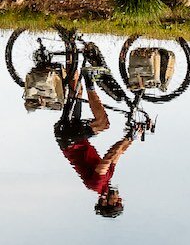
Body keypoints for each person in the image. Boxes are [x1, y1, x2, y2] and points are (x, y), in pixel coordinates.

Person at [53, 43, 132, 218]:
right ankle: (70, 46)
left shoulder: (96, 185)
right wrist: (133, 137)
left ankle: (90, 80)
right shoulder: (107, 180)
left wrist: (127, 137)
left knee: (102, 124)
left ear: (105, 201)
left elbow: (109, 157)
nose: (119, 198)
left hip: (70, 139)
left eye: (116, 202)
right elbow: (118, 155)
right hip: (71, 137)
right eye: (119, 202)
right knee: (75, 91)